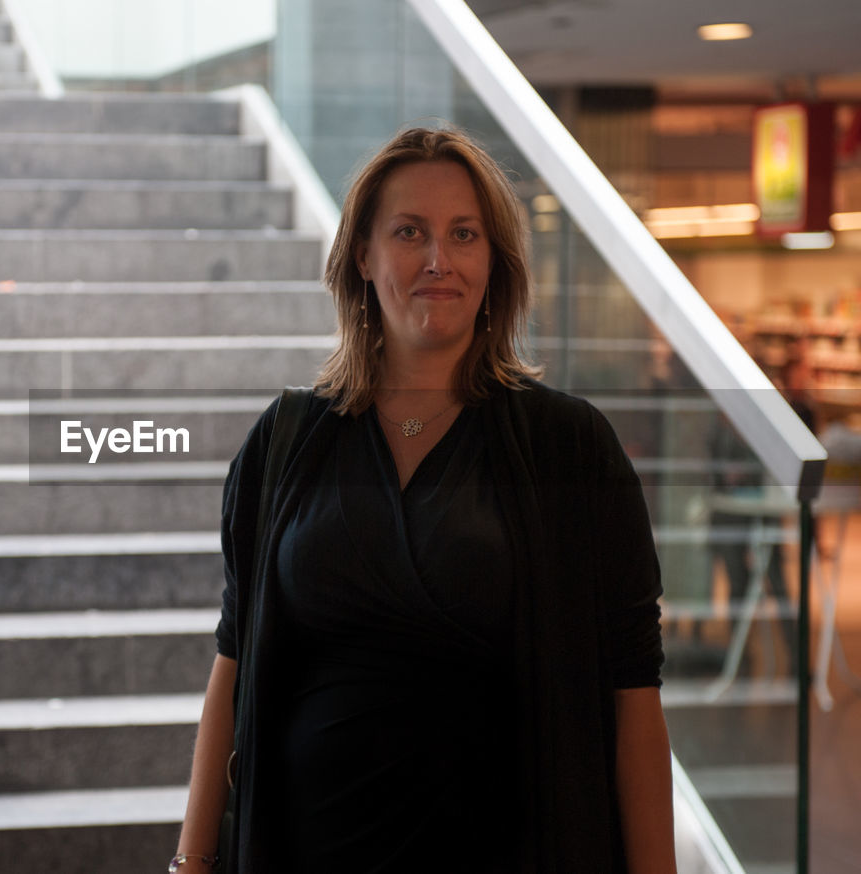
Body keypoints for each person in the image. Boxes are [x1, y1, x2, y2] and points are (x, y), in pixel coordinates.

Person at [173, 127, 676, 873]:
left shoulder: (571, 447)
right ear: (364, 259)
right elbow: (234, 664)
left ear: (492, 265)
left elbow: (632, 692)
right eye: (410, 232)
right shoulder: (285, 441)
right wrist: (192, 859)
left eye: (463, 235)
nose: (438, 260)